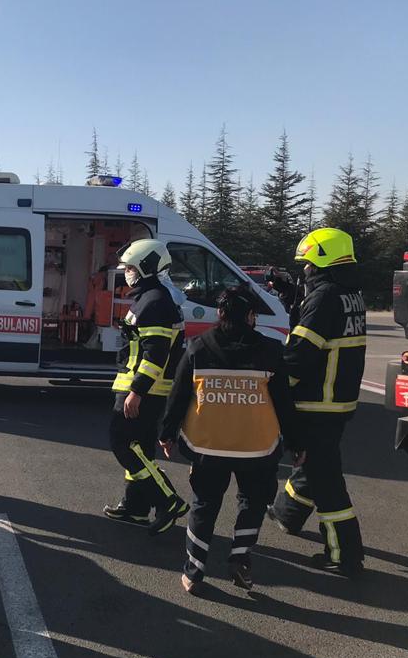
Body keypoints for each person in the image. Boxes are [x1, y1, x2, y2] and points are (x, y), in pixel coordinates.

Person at [159, 286, 303, 593]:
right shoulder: (270, 350)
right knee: (252, 503)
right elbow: (284, 403)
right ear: (251, 316)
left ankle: (194, 571)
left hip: (207, 445)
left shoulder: (198, 347)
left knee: (204, 505)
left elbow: (179, 394)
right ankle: (240, 559)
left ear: (220, 314)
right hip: (256, 447)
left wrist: (167, 432)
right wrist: (296, 443)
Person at [267, 228, 367, 577]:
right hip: (337, 399)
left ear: (322, 260)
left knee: (326, 480)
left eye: (307, 263)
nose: (305, 270)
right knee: (312, 465)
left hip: (318, 401)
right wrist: (291, 294)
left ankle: (344, 554)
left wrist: (276, 388)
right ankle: (287, 512)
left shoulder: (324, 298)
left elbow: (300, 354)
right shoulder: (349, 293)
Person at [103, 238, 188, 535]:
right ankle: (136, 508)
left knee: (123, 444)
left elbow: (155, 353)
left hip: (144, 389)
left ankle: (167, 499)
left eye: (129, 267)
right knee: (139, 449)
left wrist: (137, 391)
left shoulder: (154, 302)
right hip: (144, 387)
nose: (126, 272)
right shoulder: (151, 297)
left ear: (145, 266)